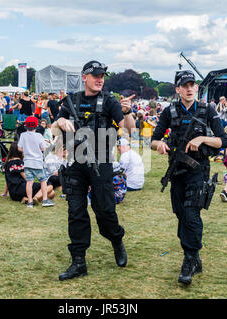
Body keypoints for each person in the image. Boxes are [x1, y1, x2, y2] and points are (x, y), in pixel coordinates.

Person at [55, 60, 135, 281]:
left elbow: (129, 128)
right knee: (76, 212)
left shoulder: (109, 101)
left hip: (101, 162)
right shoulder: (71, 101)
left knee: (105, 210)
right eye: (96, 75)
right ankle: (78, 261)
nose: (100, 79)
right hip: (76, 163)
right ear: (85, 78)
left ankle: (116, 239)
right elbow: (55, 124)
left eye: (102, 76)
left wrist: (128, 113)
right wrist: (61, 120)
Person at [151, 70, 227, 285]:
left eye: (191, 85)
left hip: (198, 170)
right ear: (177, 89)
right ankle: (194, 258)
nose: (188, 88)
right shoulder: (170, 111)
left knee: (191, 214)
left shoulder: (207, 110)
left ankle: (190, 259)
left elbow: (224, 141)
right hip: (176, 172)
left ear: (196, 88)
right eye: (184, 85)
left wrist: (203, 138)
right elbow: (154, 140)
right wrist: (161, 145)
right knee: (181, 215)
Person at [17, 116, 55, 208]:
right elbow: (43, 148)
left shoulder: (23, 135)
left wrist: (27, 150)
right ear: (36, 126)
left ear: (26, 126)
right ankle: (45, 200)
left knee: (29, 182)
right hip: (37, 162)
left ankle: (30, 201)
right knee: (43, 181)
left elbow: (19, 148)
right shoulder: (39, 136)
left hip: (27, 162)